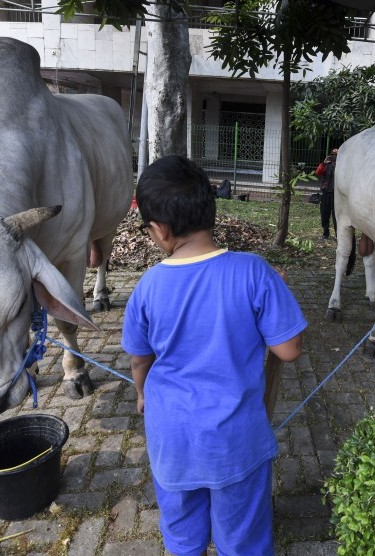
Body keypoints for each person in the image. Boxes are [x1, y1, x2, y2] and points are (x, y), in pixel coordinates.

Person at [121, 155, 308, 555]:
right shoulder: (254, 271)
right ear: (212, 210)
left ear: (160, 229)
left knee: (183, 534)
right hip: (236, 442)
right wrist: (278, 294)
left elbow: (140, 361)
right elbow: (289, 350)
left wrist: (142, 395)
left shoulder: (148, 286)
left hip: (173, 441)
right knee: (241, 537)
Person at [319, 148, 338, 239]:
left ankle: (338, 235)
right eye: (332, 155)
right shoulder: (325, 165)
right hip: (326, 193)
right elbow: (318, 172)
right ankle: (326, 233)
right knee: (324, 214)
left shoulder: (342, 166)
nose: (333, 157)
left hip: (337, 194)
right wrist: (323, 163)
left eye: (336, 155)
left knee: (336, 215)